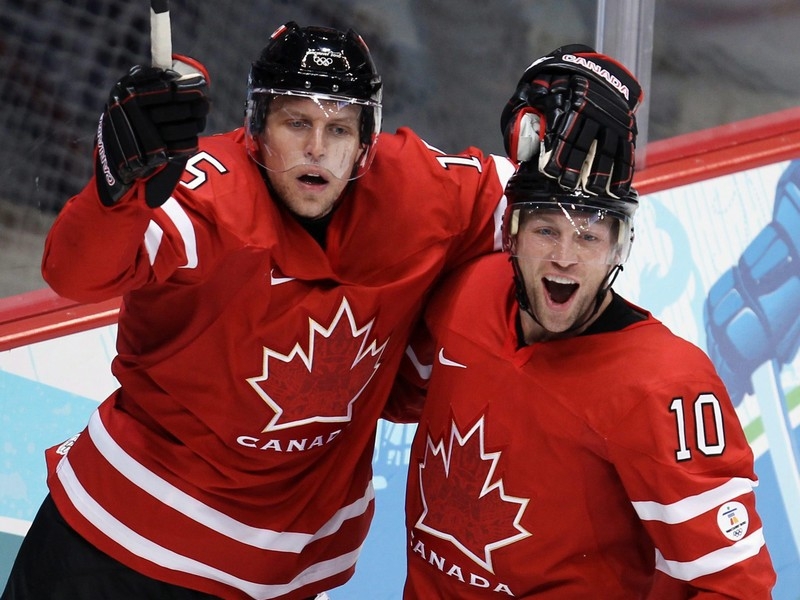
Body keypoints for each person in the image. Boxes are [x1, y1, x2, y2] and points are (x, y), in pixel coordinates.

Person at [0, 20, 640, 600]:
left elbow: (537, 202)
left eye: (339, 129)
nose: (317, 148)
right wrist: (116, 190)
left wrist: (564, 101)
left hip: (286, 573)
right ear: (256, 129)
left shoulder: (416, 190)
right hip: (123, 551)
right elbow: (75, 274)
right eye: (295, 123)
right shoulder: (206, 193)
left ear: (367, 141)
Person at [393, 161, 777, 598]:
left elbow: (735, 586)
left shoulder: (665, 383)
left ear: (618, 250)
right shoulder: (466, 292)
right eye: (546, 230)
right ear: (512, 235)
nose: (565, 256)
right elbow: (387, 396)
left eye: (589, 236)